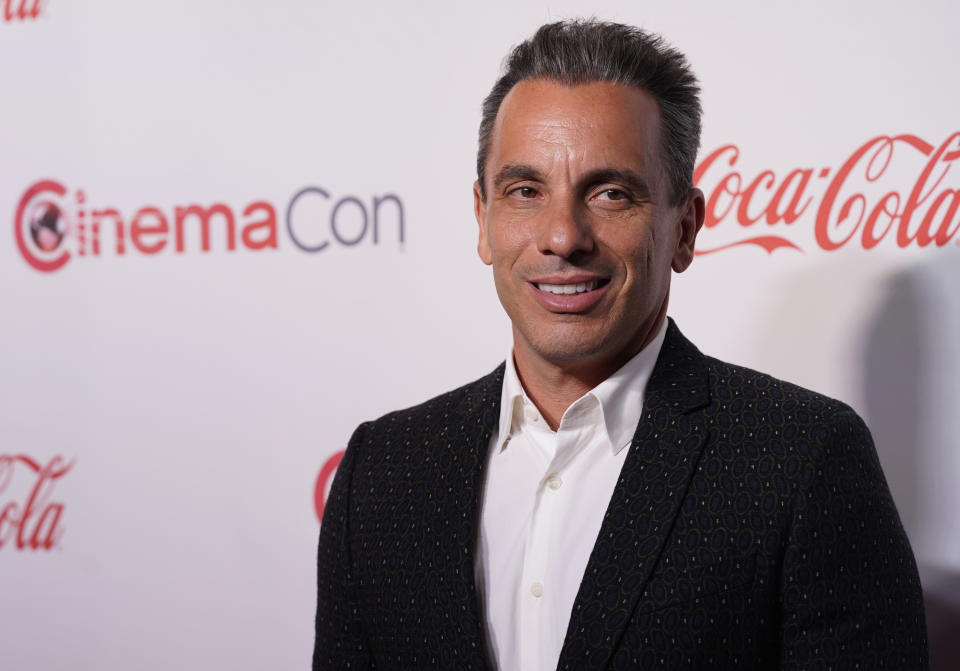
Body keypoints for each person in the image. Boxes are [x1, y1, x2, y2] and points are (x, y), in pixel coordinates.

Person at [314, 19, 928, 671]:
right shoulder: (383, 474)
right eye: (525, 190)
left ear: (685, 228)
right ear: (483, 219)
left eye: (610, 194)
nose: (561, 235)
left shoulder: (801, 459)